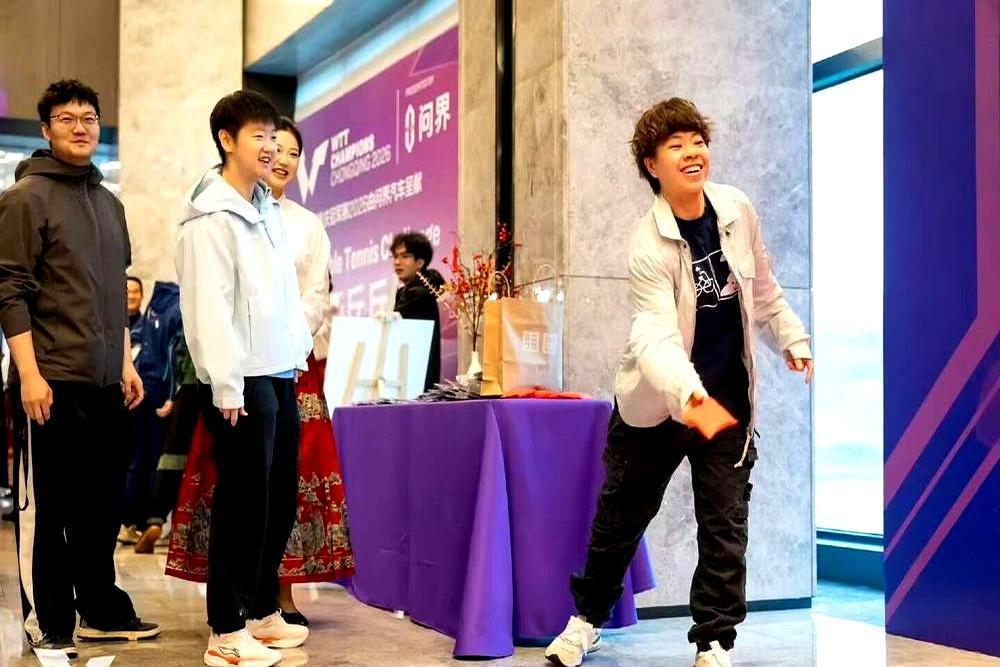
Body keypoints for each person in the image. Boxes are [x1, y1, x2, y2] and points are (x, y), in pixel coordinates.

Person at [544, 98, 814, 667]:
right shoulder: (649, 243)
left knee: (724, 523)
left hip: (724, 405)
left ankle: (714, 640)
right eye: (676, 146)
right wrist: (686, 391)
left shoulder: (736, 209)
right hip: (662, 405)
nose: (693, 153)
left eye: (698, 141)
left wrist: (792, 338)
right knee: (621, 518)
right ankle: (586, 621)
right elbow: (655, 334)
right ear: (652, 165)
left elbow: (763, 289)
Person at [0, 79, 160, 658]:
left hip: (106, 383)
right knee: (49, 512)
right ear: (46, 130)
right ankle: (48, 619)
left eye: (88, 117)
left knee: (101, 509)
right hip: (50, 382)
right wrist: (29, 374)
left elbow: (116, 292)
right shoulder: (25, 198)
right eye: (66, 119)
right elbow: (9, 290)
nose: (80, 127)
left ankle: (100, 609)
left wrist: (126, 364)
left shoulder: (109, 203)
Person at [174, 90, 313, 667]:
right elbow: (208, 308)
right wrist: (226, 384)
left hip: (276, 368)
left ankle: (259, 607)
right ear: (227, 140)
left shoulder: (263, 206)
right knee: (243, 501)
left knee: (278, 496)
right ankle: (226, 630)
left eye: (274, 137)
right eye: (259, 136)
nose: (271, 147)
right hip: (241, 376)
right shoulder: (210, 216)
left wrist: (297, 350)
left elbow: (279, 293)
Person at [121, 281, 181, 551]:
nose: (133, 296)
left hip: (141, 391)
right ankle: (148, 520)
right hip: (158, 393)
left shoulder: (151, 313)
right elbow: (173, 353)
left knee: (138, 458)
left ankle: (132, 521)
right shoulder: (174, 311)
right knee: (156, 458)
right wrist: (171, 394)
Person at [391, 232, 444, 391]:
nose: (397, 262)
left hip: (414, 379)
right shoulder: (409, 290)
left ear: (420, 262)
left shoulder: (419, 293)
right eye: (395, 256)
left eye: (405, 256)